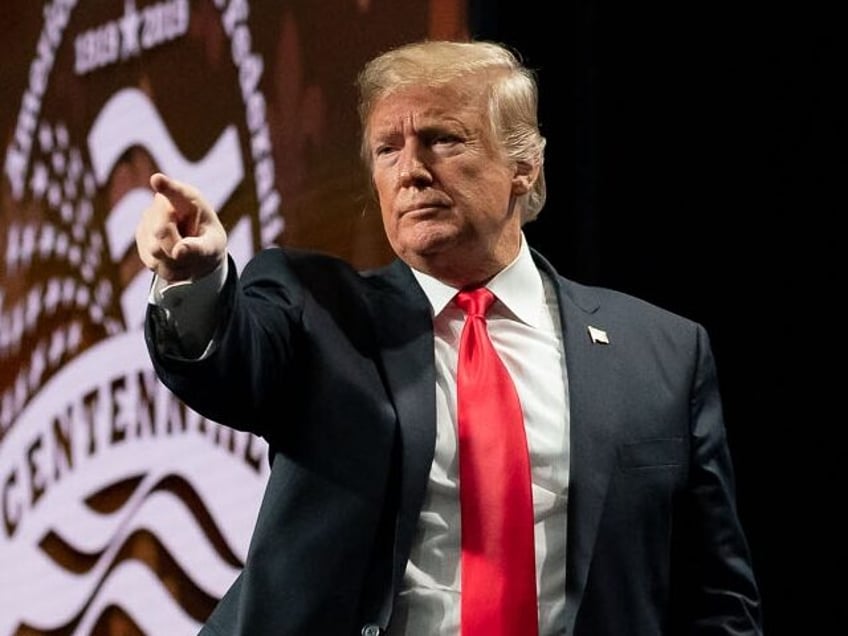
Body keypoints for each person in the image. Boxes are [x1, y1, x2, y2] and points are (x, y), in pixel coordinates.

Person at [135, 40, 763, 635]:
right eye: (387, 150)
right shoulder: (315, 308)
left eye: (440, 139)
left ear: (524, 165)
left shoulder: (661, 352)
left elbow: (715, 597)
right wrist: (195, 278)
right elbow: (226, 365)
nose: (410, 170)